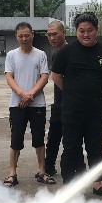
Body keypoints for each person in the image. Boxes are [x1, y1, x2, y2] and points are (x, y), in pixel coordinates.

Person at [51, 12, 102, 197]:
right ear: (76, 31)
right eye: (82, 31)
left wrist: (96, 90)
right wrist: (72, 91)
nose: (86, 34)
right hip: (71, 109)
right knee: (71, 146)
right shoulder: (66, 52)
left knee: (95, 147)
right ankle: (68, 183)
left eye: (90, 30)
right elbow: (55, 75)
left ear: (96, 30)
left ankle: (97, 184)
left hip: (96, 110)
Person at [3, 22, 51, 187]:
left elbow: (44, 77)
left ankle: (42, 171)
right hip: (17, 104)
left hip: (37, 104)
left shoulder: (41, 55)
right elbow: (9, 77)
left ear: (33, 34)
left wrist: (30, 94)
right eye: (20, 36)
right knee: (16, 138)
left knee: (39, 139)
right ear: (16, 36)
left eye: (27, 35)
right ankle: (12, 173)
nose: (24, 38)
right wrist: (22, 94)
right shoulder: (11, 55)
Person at [44, 20, 68, 178]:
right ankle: (48, 168)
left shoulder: (71, 51)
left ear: (63, 33)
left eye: (55, 34)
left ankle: (70, 170)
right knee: (53, 137)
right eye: (49, 35)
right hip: (58, 104)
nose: (52, 38)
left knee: (70, 140)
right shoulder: (54, 53)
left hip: (71, 104)